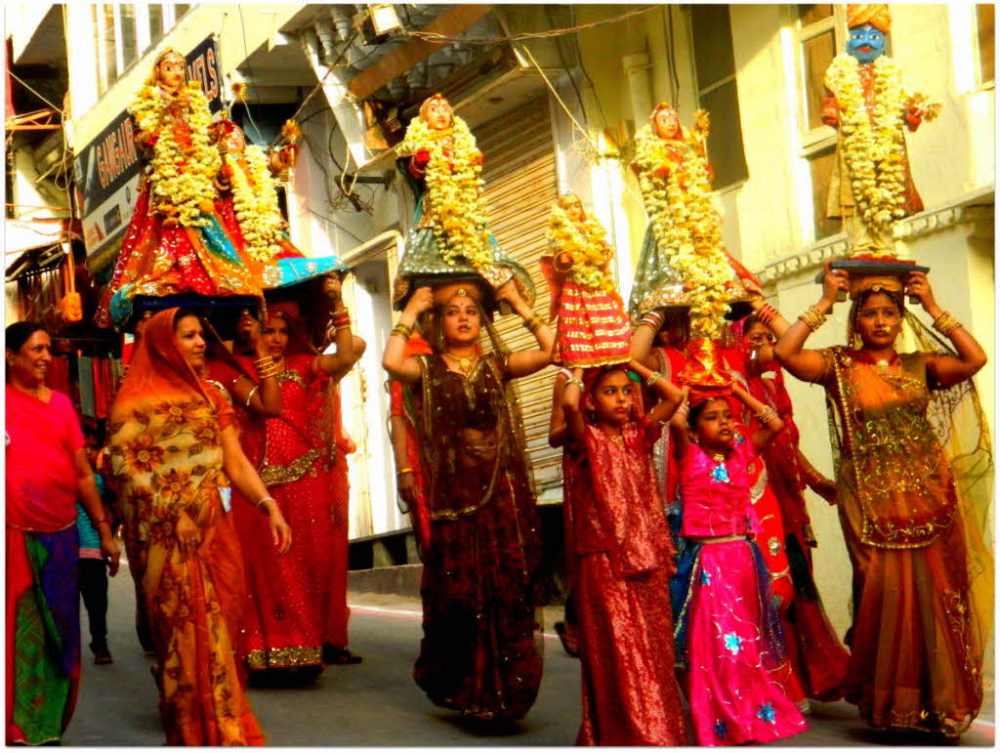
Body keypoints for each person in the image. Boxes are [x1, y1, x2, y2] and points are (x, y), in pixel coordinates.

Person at [774, 264, 992, 739]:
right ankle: (888, 704)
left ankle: (937, 704)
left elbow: (975, 359)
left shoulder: (922, 366)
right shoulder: (838, 365)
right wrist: (824, 304)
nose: (879, 322)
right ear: (857, 320)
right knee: (880, 594)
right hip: (869, 506)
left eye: (889, 314)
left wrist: (932, 307)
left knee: (935, 598)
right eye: (869, 313)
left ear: (899, 319)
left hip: (928, 499)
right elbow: (785, 353)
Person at [108, 308, 292, 745]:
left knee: (225, 620)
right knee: (183, 632)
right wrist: (174, 512)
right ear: (164, 345)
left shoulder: (214, 396)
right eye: (187, 336)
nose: (198, 342)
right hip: (168, 538)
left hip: (216, 527)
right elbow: (126, 468)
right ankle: (198, 728)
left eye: (198, 335)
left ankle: (221, 716)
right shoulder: (135, 402)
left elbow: (233, 459)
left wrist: (268, 503)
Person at [382, 279, 552, 721]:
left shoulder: (497, 365)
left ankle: (505, 692)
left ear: (482, 321)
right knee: (462, 592)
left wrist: (518, 304)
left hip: (499, 495)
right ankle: (467, 688)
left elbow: (554, 351)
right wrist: (411, 312)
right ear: (440, 322)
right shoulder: (429, 369)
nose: (463, 317)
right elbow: (390, 362)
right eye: (453, 311)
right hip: (455, 499)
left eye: (472, 311)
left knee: (505, 589)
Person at [223, 276, 365, 678]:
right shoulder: (239, 372)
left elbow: (348, 355)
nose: (278, 339)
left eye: (284, 331)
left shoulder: (305, 365)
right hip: (260, 486)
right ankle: (265, 648)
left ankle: (306, 644)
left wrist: (338, 305)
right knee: (267, 568)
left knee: (307, 564)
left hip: (305, 484)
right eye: (270, 330)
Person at [723, 307, 849, 703]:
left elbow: (786, 446)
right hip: (751, 498)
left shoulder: (773, 387)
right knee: (769, 591)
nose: (765, 346)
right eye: (754, 338)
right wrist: (814, 306)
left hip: (786, 500)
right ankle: (776, 683)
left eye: (768, 338)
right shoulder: (736, 381)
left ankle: (807, 677)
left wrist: (816, 482)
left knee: (795, 585)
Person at [670, 386, 808, 745]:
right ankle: (720, 717)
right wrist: (685, 391)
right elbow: (675, 418)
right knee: (715, 644)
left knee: (746, 640)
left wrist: (738, 394)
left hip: (744, 560)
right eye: (713, 418)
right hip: (709, 561)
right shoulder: (690, 454)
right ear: (696, 429)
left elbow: (774, 423)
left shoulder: (742, 452)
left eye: (727, 417)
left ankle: (749, 713)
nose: (725, 424)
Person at [560, 361, 689, 745]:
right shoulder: (586, 439)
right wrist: (580, 370)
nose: (621, 398)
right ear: (592, 403)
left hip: (647, 556)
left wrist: (630, 364)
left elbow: (674, 395)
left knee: (654, 650)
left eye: (626, 391)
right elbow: (568, 406)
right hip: (603, 560)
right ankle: (628, 734)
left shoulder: (640, 434)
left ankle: (659, 730)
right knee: (617, 652)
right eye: (610, 391)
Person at [6, 322, 121, 745]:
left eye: (47, 350)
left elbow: (83, 475)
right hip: (14, 536)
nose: (43, 358)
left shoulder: (60, 406)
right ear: (9, 356)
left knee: (60, 631)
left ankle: (50, 723)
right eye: (35, 349)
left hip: (63, 535)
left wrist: (105, 531)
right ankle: (18, 726)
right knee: (21, 633)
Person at [96, 49, 259, 329]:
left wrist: (213, 136)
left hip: (194, 178)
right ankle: (170, 270)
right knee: (164, 227)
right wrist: (164, 115)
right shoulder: (146, 102)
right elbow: (144, 143)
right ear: (158, 71)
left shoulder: (194, 101)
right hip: (165, 180)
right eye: (170, 67)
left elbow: (201, 137)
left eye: (181, 68)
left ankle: (207, 271)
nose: (176, 73)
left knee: (205, 222)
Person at [388, 331, 434, 559]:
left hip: (458, 456)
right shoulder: (408, 357)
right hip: (420, 459)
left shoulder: (460, 350)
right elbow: (397, 415)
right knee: (432, 535)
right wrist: (404, 469)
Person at [78, 422, 115, 666]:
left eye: (93, 447)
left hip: (93, 551)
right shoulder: (68, 478)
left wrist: (108, 541)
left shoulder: (102, 482)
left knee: (97, 603)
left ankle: (99, 642)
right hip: (65, 550)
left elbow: (113, 511)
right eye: (84, 447)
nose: (89, 453)